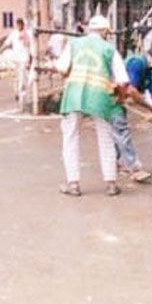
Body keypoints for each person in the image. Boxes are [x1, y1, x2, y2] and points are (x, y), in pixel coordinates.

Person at [56, 15, 129, 197]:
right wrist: (120, 98)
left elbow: (61, 68)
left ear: (89, 29)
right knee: (105, 138)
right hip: (101, 98)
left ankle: (73, 184)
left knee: (70, 137)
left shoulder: (74, 44)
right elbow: (123, 81)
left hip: (74, 96)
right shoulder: (109, 49)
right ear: (105, 32)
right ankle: (111, 184)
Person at [112, 51, 152, 183]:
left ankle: (113, 164)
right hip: (113, 99)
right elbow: (131, 90)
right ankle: (135, 169)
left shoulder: (148, 70)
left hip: (120, 99)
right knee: (122, 131)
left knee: (117, 131)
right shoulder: (137, 63)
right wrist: (151, 108)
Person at [0, 17, 35, 111]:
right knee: (16, 78)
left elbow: (31, 46)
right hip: (16, 59)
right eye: (17, 24)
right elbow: (7, 43)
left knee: (23, 78)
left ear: (23, 25)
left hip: (24, 59)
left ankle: (22, 96)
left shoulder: (28, 34)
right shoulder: (14, 34)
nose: (19, 26)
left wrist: (31, 59)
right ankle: (17, 92)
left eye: (20, 24)